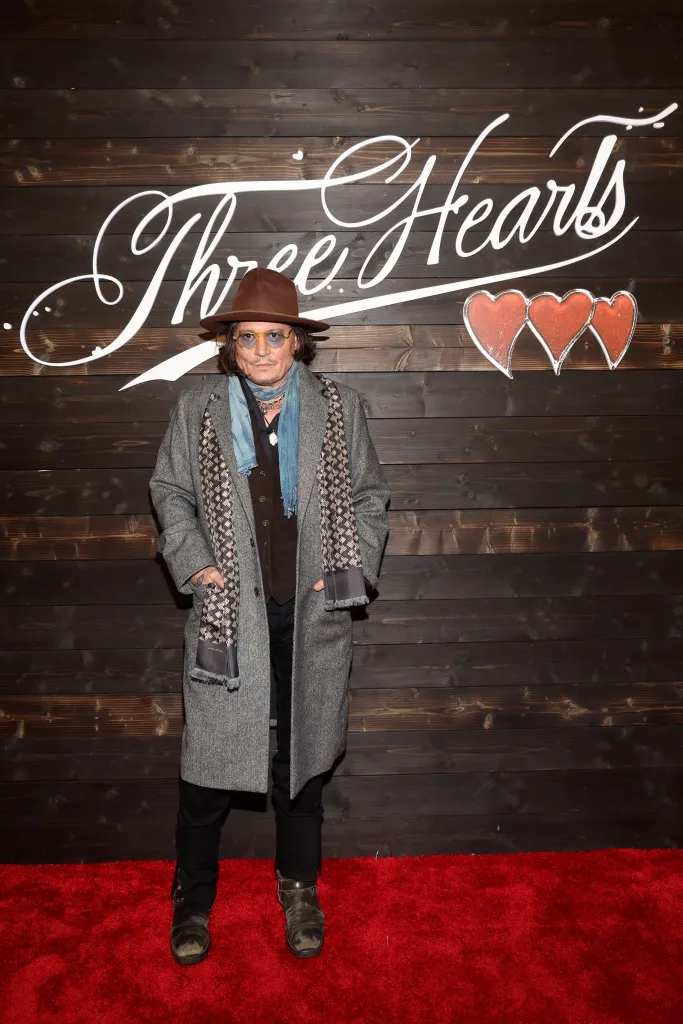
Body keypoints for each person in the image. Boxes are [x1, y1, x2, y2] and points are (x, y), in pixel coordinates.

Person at [149, 267, 390, 965]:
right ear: (229, 345)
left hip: (311, 612)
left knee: (302, 764)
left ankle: (299, 888)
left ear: (296, 342)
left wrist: (346, 569)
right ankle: (191, 901)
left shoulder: (339, 408)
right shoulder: (196, 407)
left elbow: (371, 499)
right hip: (229, 617)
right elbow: (169, 492)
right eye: (246, 337)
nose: (259, 349)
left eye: (272, 336)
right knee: (205, 772)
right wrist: (197, 565)